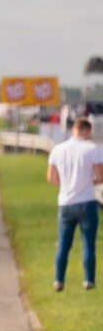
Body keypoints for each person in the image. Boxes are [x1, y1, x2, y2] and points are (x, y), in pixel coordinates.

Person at [47, 116, 103, 291]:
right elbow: (100, 177)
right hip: (86, 201)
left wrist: (67, 182)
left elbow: (51, 178)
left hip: (65, 202)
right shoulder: (93, 149)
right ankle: (88, 280)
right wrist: (90, 182)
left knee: (63, 243)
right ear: (86, 131)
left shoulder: (57, 149)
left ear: (73, 130)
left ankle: (58, 280)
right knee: (88, 242)